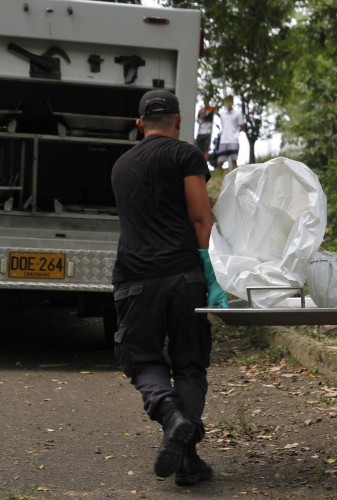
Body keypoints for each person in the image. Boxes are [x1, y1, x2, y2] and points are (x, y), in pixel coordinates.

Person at [110, 90, 229, 486]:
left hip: (134, 279)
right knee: (190, 364)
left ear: (140, 125)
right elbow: (200, 218)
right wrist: (212, 273)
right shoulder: (186, 155)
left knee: (143, 361)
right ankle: (187, 456)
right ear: (179, 122)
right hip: (183, 276)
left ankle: (170, 416)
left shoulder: (120, 166)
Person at [216, 95, 244, 170]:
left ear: (232, 102)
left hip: (233, 140)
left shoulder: (238, 113)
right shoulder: (222, 114)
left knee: (234, 161)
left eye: (230, 101)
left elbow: (241, 127)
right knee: (219, 162)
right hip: (223, 140)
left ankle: (235, 178)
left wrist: (235, 134)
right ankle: (220, 179)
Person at [195, 96, 215, 162]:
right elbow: (198, 120)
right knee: (200, 150)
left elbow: (208, 118)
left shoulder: (211, 109)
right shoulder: (201, 110)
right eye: (204, 100)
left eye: (206, 100)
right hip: (200, 132)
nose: (205, 102)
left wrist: (203, 118)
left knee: (206, 149)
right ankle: (200, 164)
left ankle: (205, 165)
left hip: (207, 132)